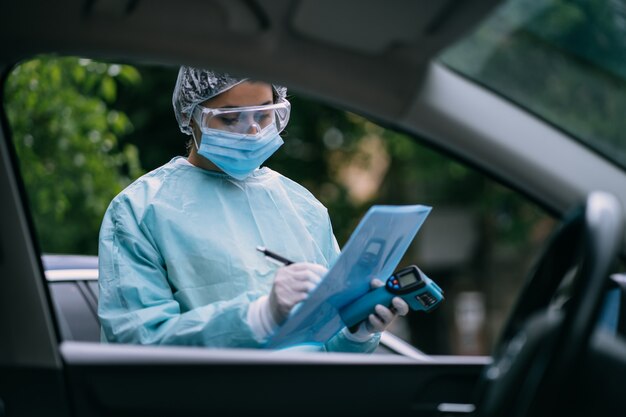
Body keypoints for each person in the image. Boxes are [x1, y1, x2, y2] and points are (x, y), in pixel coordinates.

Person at [97, 66, 409, 352]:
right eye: (231, 118)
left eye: (263, 115)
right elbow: (137, 344)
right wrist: (260, 316)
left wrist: (355, 333)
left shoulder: (303, 207)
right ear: (191, 117)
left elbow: (323, 349)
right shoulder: (138, 211)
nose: (251, 132)